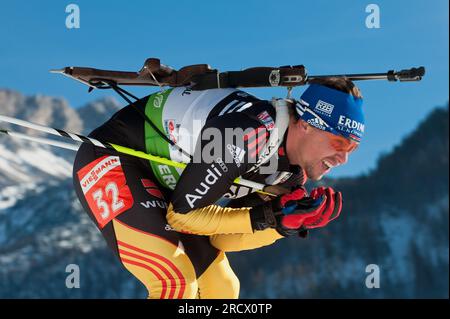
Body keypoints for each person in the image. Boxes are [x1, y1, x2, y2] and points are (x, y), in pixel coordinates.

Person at [72, 76, 364, 299]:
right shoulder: (245, 135)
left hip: (171, 188)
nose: (344, 157)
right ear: (306, 125)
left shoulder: (289, 176)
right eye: (339, 142)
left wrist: (280, 225)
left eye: (352, 147)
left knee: (222, 288)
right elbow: (182, 217)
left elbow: (219, 238)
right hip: (113, 157)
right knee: (174, 280)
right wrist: (268, 217)